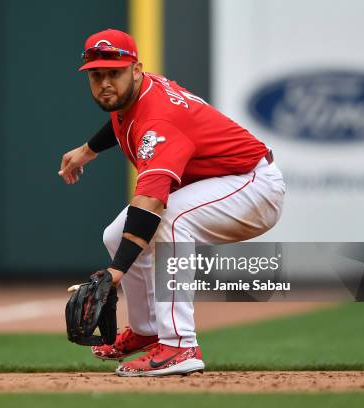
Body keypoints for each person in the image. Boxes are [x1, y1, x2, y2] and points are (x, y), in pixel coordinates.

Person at [58, 29, 285, 377]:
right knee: (116, 236)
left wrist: (116, 272)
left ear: (136, 70)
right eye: (97, 74)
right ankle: (147, 329)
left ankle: (180, 346)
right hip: (223, 181)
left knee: (169, 219)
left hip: (253, 186)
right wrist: (87, 151)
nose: (105, 83)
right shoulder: (136, 91)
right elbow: (119, 121)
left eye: (113, 73)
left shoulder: (159, 119)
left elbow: (149, 202)